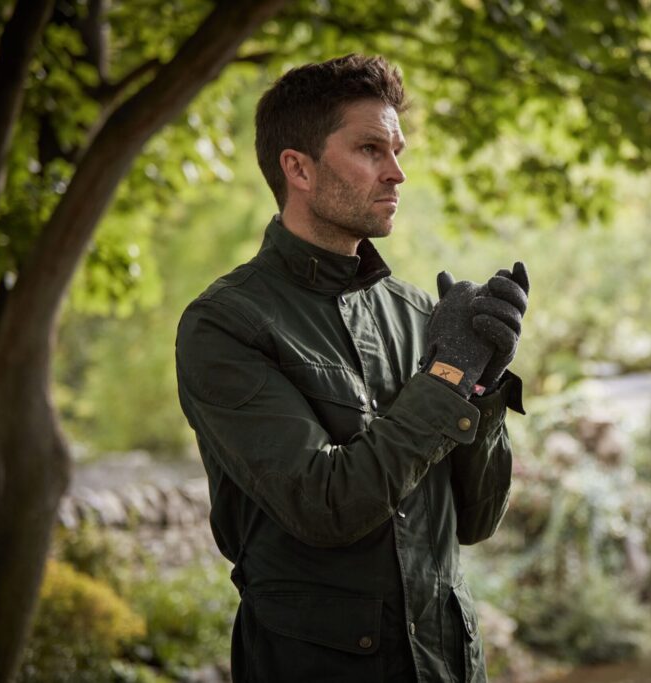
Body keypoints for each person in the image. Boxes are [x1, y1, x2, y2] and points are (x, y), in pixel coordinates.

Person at [175, 54, 528, 683]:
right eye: (370, 149)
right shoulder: (224, 325)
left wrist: (485, 383)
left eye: (397, 150)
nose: (397, 173)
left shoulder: (424, 314)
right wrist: (447, 379)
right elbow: (325, 505)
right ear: (299, 167)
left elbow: (475, 521)